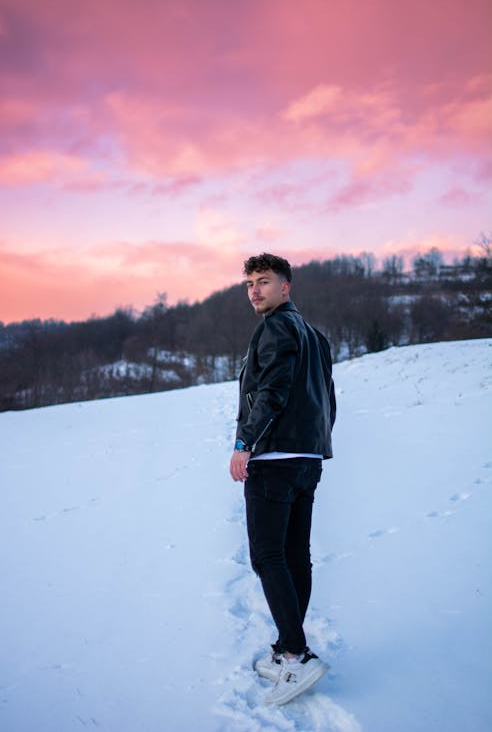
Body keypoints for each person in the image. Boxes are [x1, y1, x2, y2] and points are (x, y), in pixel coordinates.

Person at [229, 252, 336, 706]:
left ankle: (295, 653)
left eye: (264, 281)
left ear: (285, 286)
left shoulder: (275, 328)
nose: (255, 290)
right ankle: (287, 647)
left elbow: (271, 392)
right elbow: (328, 398)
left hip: (274, 457)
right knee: (295, 557)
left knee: (267, 556)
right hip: (307, 457)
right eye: (250, 283)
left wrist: (244, 444)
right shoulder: (314, 334)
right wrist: (316, 443)